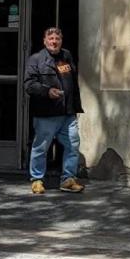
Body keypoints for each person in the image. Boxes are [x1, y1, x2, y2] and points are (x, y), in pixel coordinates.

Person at [25, 27, 84, 194]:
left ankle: (68, 179)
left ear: (61, 40)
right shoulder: (36, 59)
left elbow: (72, 82)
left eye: (57, 38)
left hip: (67, 112)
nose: (54, 41)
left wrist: (75, 106)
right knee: (41, 147)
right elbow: (28, 84)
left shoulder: (66, 56)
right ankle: (37, 179)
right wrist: (47, 91)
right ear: (44, 41)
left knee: (73, 144)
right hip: (46, 113)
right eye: (50, 38)